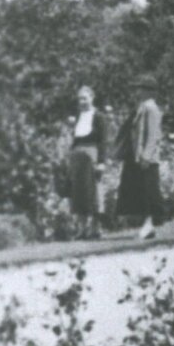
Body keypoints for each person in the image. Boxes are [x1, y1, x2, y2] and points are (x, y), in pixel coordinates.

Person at [114, 81, 167, 240]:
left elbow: (153, 134)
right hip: (137, 156)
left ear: (149, 91)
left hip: (146, 158)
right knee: (140, 192)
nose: (138, 91)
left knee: (148, 192)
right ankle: (147, 224)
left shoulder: (151, 108)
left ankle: (149, 224)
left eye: (141, 89)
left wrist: (146, 155)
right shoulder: (142, 107)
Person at [64, 85, 110, 239]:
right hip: (78, 157)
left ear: (92, 97)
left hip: (92, 155)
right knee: (79, 192)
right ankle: (82, 229)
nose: (82, 101)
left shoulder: (99, 117)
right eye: (80, 99)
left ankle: (96, 228)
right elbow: (74, 140)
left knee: (94, 191)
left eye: (85, 98)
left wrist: (102, 162)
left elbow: (103, 141)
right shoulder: (78, 117)